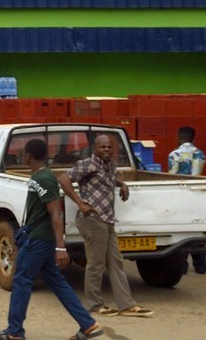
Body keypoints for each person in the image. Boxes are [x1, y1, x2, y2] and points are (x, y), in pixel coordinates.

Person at [0, 138, 105, 340]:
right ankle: (87, 324)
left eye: (23, 154)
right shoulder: (39, 177)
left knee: (21, 280)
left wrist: (60, 247)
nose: (22, 157)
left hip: (38, 240)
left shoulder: (45, 179)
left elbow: (56, 214)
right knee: (56, 282)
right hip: (38, 238)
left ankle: (14, 330)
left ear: (29, 156)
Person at [61, 133, 150, 317]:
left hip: (108, 219)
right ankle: (94, 304)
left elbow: (107, 179)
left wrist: (121, 183)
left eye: (109, 147)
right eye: (103, 147)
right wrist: (80, 203)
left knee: (116, 262)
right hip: (93, 220)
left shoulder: (110, 165)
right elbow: (63, 179)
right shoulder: (87, 164)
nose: (107, 150)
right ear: (95, 149)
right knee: (96, 264)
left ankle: (126, 305)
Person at [168, 126, 206, 274]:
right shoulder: (200, 154)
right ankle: (200, 265)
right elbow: (196, 176)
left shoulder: (174, 155)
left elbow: (172, 176)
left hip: (180, 196)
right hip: (197, 196)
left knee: (181, 229)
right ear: (193, 138)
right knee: (197, 229)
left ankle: (182, 265)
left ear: (179, 138)